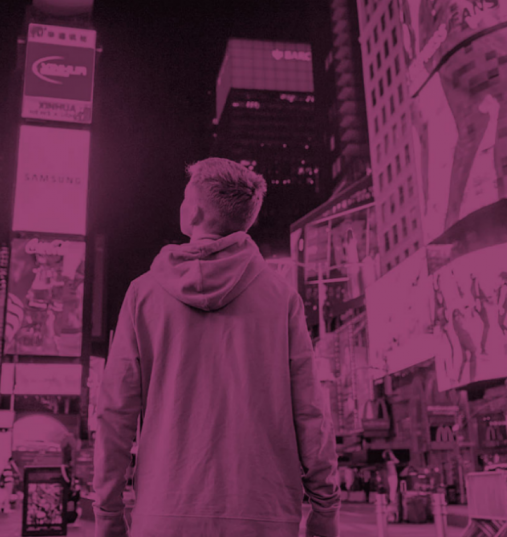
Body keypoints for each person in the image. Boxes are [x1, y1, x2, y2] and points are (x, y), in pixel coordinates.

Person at [94, 158, 341, 537]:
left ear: (194, 212)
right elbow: (310, 412)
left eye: (184, 197)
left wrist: (109, 515)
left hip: (164, 516)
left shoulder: (143, 294)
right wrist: (325, 511)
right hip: (265, 517)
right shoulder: (282, 298)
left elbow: (115, 413)